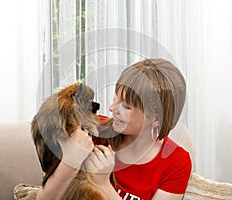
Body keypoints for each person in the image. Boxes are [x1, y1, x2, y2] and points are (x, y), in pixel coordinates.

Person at [36, 58, 192, 200]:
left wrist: (103, 183)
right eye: (115, 98)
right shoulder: (90, 132)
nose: (111, 108)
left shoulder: (177, 163)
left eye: (125, 106)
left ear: (157, 118)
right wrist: (71, 159)